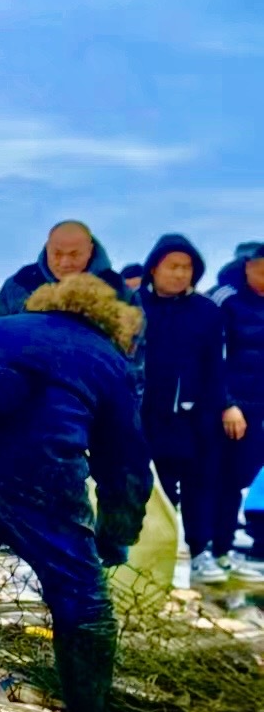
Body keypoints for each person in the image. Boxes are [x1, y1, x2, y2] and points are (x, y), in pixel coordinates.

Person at [0, 275, 152, 712]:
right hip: (37, 477)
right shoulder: (105, 355)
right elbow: (125, 461)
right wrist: (115, 536)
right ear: (113, 320)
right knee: (80, 593)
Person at [136, 235, 230, 584]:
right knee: (147, 490)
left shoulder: (207, 312)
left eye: (187, 267)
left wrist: (221, 407)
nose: (179, 274)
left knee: (199, 486)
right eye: (172, 266)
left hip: (194, 419)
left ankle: (200, 554)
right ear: (154, 268)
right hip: (144, 417)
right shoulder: (134, 307)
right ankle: (141, 558)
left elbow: (217, 366)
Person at [213, 246, 264, 578]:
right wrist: (227, 403)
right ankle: (220, 548)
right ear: (248, 267)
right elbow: (210, 356)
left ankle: (260, 546)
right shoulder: (225, 299)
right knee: (228, 479)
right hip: (234, 408)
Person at [0, 220, 132, 318]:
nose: (65, 263)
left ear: (90, 250)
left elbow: (137, 350)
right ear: (47, 249)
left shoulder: (116, 288)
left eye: (74, 254)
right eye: (57, 254)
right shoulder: (20, 283)